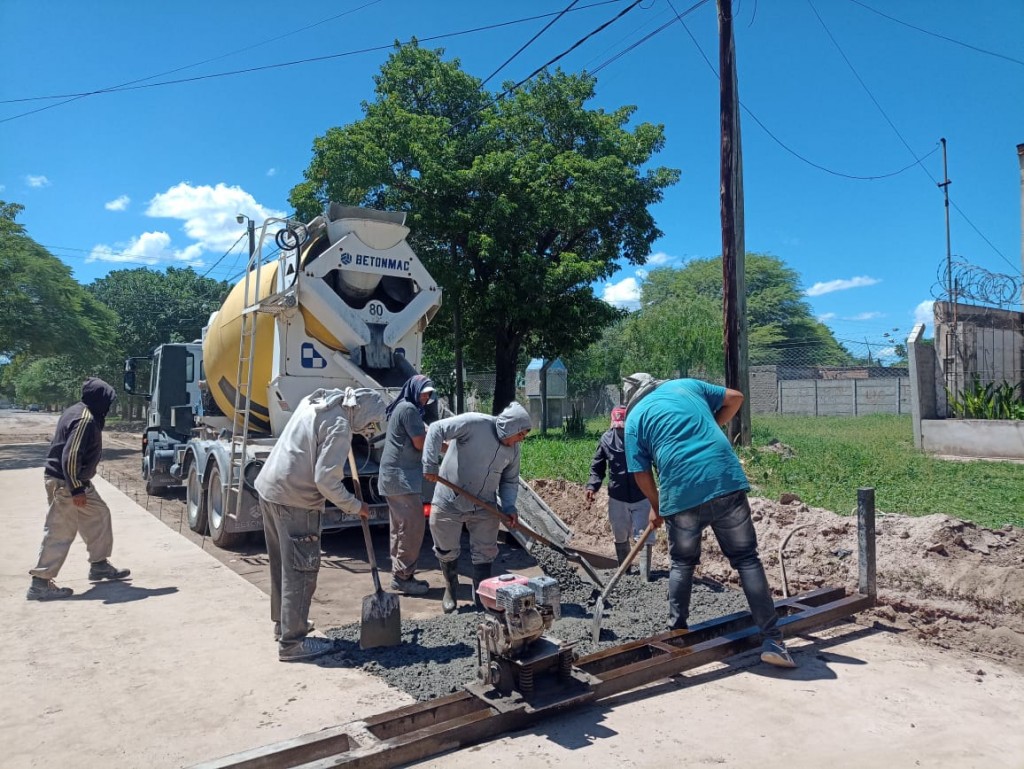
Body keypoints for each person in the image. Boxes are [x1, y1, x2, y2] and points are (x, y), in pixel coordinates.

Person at [622, 372, 797, 668]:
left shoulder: (634, 420)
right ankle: (773, 641)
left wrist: (657, 505)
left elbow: (641, 473)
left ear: (630, 399)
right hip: (724, 479)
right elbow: (735, 398)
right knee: (746, 559)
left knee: (682, 563)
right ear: (655, 384)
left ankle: (677, 636)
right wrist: (711, 426)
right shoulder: (686, 386)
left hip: (681, 493)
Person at [254, 386, 386, 662]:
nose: (369, 428)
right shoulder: (340, 427)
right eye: (371, 421)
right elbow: (325, 481)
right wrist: (355, 505)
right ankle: (292, 643)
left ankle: (285, 624)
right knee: (302, 570)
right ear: (361, 411)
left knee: (283, 565)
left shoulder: (319, 401)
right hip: (295, 499)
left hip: (270, 489)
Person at [422, 402, 531, 613]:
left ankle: (482, 596)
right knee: (445, 548)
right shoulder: (473, 423)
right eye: (520, 434)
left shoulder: (513, 451)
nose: (521, 440)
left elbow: (509, 481)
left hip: (484, 505)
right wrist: (430, 464)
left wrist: (508, 505)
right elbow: (436, 428)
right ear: (511, 427)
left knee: (485, 551)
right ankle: (451, 588)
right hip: (449, 500)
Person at [28, 377, 130, 601]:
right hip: (66, 482)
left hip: (76, 481)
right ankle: (40, 582)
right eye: (108, 401)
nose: (110, 406)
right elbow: (71, 456)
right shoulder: (84, 419)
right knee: (61, 530)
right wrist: (75, 489)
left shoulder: (79, 411)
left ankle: (99, 564)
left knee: (99, 515)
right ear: (99, 399)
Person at [379, 374, 436, 596]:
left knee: (401, 527)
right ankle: (403, 577)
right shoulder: (409, 410)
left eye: (429, 393)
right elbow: (420, 442)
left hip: (394, 478)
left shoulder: (404, 407)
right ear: (414, 390)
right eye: (423, 392)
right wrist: (444, 444)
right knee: (413, 527)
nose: (426, 397)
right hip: (400, 478)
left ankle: (400, 574)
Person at [585, 405, 656, 581]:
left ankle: (644, 576)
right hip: (618, 496)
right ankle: (625, 573)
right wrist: (592, 486)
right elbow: (598, 466)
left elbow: (657, 461)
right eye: (618, 427)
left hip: (642, 495)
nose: (621, 430)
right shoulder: (606, 440)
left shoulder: (642, 438)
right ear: (612, 425)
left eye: (624, 426)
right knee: (620, 533)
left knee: (645, 535)